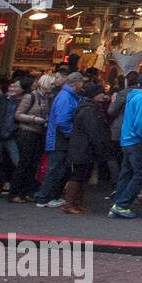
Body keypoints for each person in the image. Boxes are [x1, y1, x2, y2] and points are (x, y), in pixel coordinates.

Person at [109, 72, 142, 218]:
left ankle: (117, 203)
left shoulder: (131, 96)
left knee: (126, 172)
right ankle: (122, 204)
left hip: (126, 139)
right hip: (135, 140)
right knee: (139, 173)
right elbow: (141, 122)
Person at [37, 72, 84, 208]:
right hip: (59, 138)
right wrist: (72, 134)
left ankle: (49, 196)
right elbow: (62, 120)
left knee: (58, 168)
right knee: (55, 169)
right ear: (77, 83)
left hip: (59, 136)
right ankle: (45, 197)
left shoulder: (67, 95)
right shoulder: (66, 97)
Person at [61, 84, 108, 214]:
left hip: (83, 148)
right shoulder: (89, 110)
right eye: (101, 93)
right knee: (78, 175)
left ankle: (76, 202)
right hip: (83, 148)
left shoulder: (88, 108)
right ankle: (69, 204)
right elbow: (93, 131)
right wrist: (100, 147)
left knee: (83, 175)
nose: (103, 96)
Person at [8, 74, 52, 203]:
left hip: (39, 132)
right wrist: (33, 119)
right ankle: (15, 192)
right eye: (51, 84)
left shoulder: (47, 98)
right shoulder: (30, 96)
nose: (53, 86)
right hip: (27, 132)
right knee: (24, 163)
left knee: (34, 163)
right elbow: (18, 114)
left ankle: (26, 191)